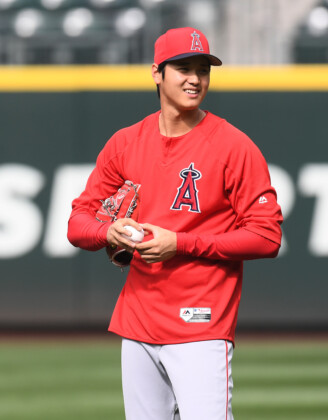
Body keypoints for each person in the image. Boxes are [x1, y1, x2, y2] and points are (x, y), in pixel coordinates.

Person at [67, 28, 283, 419]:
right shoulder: (126, 143)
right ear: (157, 73)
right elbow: (78, 223)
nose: (195, 79)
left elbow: (267, 237)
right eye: (183, 68)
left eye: (203, 69)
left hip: (200, 323)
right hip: (137, 322)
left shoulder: (234, 146)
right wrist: (107, 232)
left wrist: (181, 243)